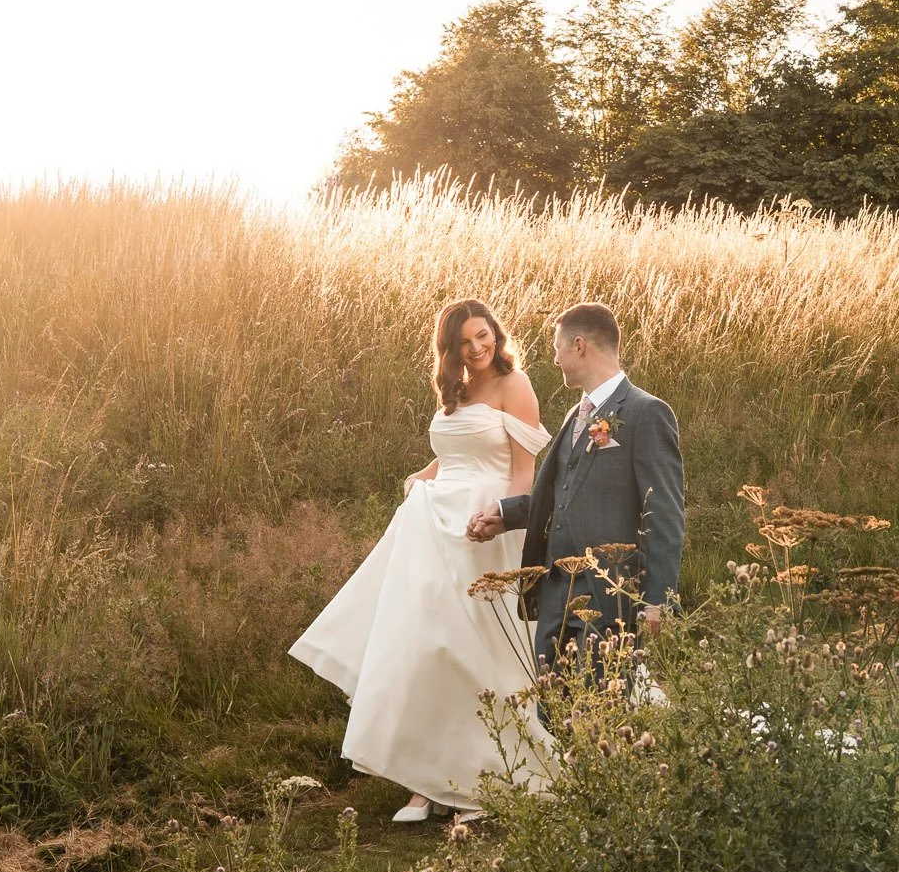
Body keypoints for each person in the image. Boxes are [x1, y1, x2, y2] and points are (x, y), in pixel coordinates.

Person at [289, 299, 551, 822]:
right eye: (466, 343)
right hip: (432, 528)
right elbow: (455, 454)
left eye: (485, 336)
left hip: (482, 529)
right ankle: (426, 783)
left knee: (476, 650)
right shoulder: (455, 390)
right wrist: (423, 477)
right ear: (449, 350)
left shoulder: (513, 384)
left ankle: (485, 780)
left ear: (495, 334)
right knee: (424, 647)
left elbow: (524, 473)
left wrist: (506, 521)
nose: (479, 348)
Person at [466, 302, 684, 672]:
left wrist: (657, 600)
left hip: (607, 595)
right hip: (556, 594)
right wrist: (505, 515)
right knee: (551, 712)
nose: (555, 358)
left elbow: (664, 512)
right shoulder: (575, 415)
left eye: (557, 348)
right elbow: (559, 495)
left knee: (601, 711)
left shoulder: (646, 411)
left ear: (579, 345)